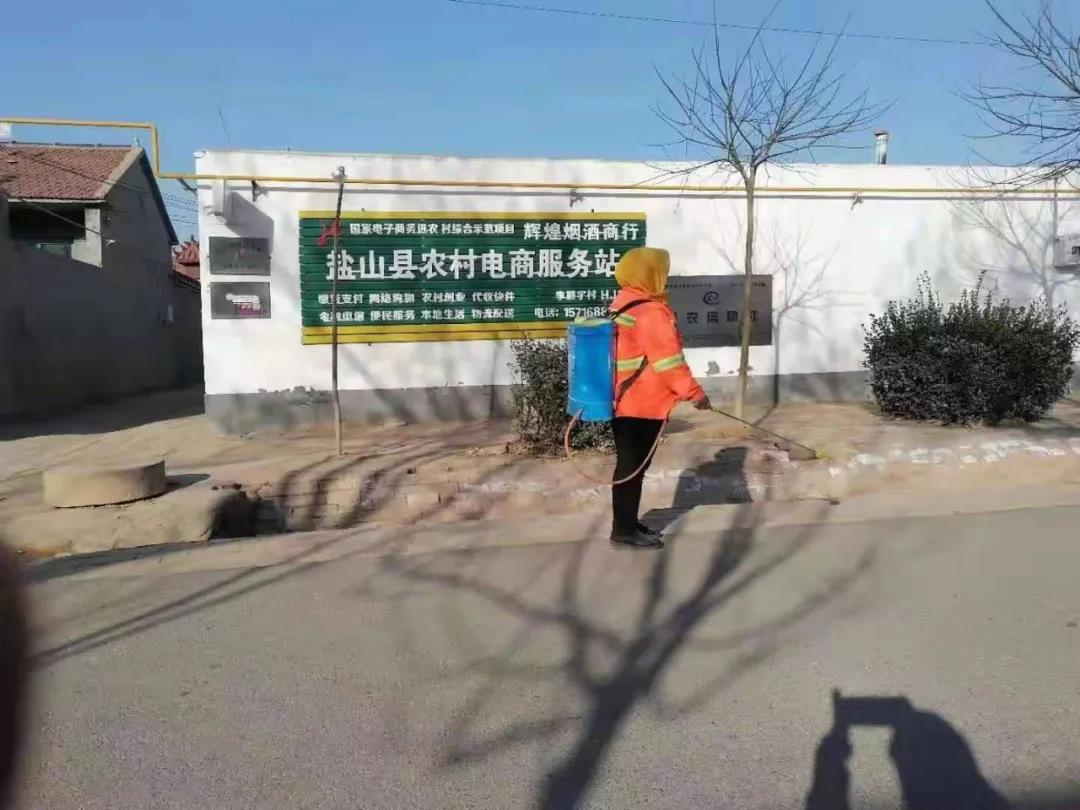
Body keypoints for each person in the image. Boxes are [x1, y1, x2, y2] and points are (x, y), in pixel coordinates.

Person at [608, 247, 710, 549]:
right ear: (650, 274)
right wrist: (695, 394)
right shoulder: (651, 312)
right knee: (632, 469)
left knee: (630, 467)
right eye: (663, 271)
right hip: (643, 403)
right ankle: (624, 531)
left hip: (623, 399)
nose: (666, 276)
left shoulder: (623, 303)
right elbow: (669, 362)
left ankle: (627, 523)